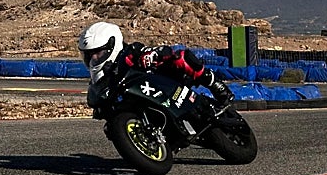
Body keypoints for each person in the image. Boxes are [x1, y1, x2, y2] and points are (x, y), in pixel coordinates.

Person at [77, 21, 234, 109]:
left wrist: (153, 55)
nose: (94, 58)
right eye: (89, 55)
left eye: (97, 53)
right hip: (148, 99)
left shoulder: (130, 53)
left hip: (168, 84)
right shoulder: (101, 76)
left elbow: (162, 51)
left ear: (112, 44)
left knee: (182, 57)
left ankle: (216, 85)